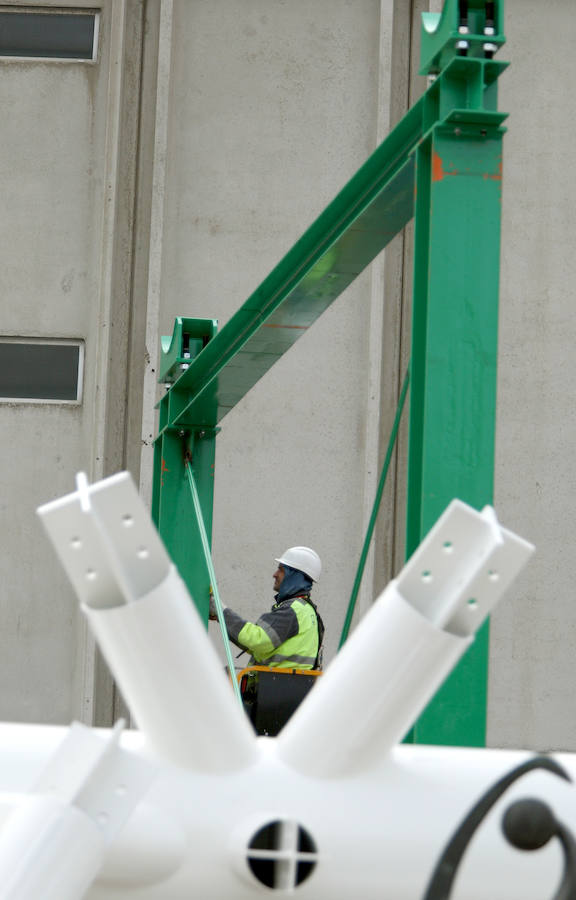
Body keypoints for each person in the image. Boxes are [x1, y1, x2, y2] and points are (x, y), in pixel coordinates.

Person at [209, 546, 324, 671]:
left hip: (276, 687)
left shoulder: (292, 611)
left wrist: (221, 610)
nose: (274, 575)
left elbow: (256, 640)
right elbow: (256, 647)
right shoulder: (305, 610)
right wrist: (221, 617)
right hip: (284, 686)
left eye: (280, 570)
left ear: (294, 576)